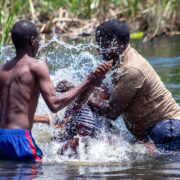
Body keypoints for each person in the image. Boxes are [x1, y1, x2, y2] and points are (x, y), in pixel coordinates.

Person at [0, 20, 111, 162]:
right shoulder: (37, 65)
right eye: (39, 39)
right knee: (50, 166)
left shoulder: (3, 69)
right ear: (32, 41)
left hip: (1, 138)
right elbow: (54, 104)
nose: (39, 43)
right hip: (19, 139)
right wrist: (87, 81)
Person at [88, 19, 180, 152]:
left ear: (115, 42)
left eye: (101, 42)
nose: (98, 48)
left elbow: (111, 111)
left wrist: (81, 95)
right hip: (160, 129)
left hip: (167, 129)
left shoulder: (132, 69)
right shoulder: (119, 62)